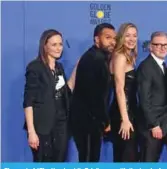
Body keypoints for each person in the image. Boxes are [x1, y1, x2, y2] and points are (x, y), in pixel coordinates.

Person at [23, 29, 73, 162]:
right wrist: (31, 132)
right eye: (54, 44)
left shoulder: (59, 67)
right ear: (44, 46)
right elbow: (28, 101)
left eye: (60, 44)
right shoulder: (35, 68)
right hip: (42, 127)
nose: (58, 48)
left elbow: (63, 91)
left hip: (61, 125)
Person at [70, 23, 116, 162]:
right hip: (88, 122)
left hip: (90, 121)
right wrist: (105, 121)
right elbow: (95, 96)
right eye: (108, 37)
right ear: (97, 39)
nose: (112, 42)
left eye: (114, 38)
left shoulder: (98, 57)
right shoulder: (95, 59)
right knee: (89, 159)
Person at [136, 31, 167, 162]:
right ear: (150, 46)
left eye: (165, 45)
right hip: (150, 127)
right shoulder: (146, 67)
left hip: (162, 124)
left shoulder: (162, 65)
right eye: (158, 45)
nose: (162, 48)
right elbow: (144, 99)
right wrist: (154, 124)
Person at [109, 23, 139, 162]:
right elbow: (119, 90)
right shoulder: (120, 57)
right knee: (126, 156)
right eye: (128, 35)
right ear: (121, 37)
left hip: (129, 111)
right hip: (123, 113)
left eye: (134, 35)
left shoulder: (129, 56)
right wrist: (125, 119)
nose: (131, 39)